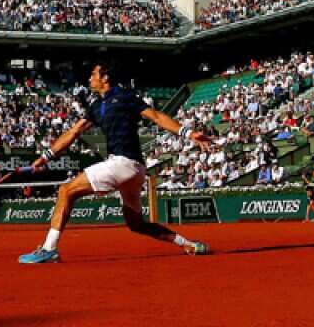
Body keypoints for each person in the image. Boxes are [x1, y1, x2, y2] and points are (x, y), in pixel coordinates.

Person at [18, 64, 210, 264]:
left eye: (93, 74)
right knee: (136, 224)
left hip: (123, 163)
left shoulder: (125, 96)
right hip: (135, 171)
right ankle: (188, 243)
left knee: (66, 190)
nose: (89, 78)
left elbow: (155, 116)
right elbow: (73, 132)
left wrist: (187, 133)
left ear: (105, 77)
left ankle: (49, 249)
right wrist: (45, 157)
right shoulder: (96, 106)